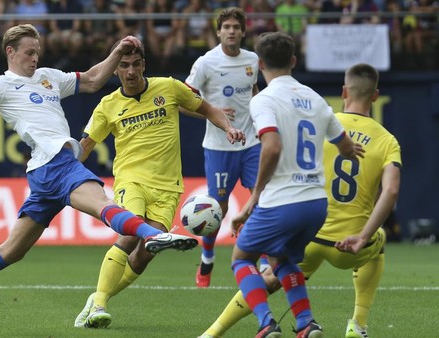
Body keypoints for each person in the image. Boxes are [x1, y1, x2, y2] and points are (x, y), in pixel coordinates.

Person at [0, 24, 200, 333]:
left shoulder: (48, 77)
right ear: (11, 52)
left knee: (11, 251)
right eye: (30, 52)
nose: (35, 58)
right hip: (55, 163)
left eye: (38, 52)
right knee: (102, 203)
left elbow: (91, 80)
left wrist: (117, 51)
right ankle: (151, 234)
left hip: (44, 171)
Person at [199, 63, 400, 338]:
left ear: (344, 91)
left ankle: (214, 331)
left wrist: (252, 204)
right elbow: (390, 192)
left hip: (311, 234)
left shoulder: (321, 123)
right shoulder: (388, 140)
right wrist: (364, 236)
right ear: (375, 95)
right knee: (379, 243)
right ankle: (357, 323)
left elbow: (281, 161)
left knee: (267, 276)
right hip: (350, 243)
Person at [73, 41, 246, 329]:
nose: (131, 71)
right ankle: (101, 305)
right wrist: (67, 173)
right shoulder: (107, 106)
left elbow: (206, 108)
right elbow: (87, 144)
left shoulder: (168, 87)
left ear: (144, 65)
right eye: (124, 66)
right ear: (116, 70)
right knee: (131, 231)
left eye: (136, 64)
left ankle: (97, 298)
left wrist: (228, 128)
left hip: (168, 187)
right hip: (132, 180)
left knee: (144, 254)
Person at [184, 7, 262, 289]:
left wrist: (259, 111)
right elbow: (184, 101)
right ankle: (207, 257)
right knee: (217, 207)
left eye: (236, 27)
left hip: (251, 142)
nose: (231, 31)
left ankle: (261, 258)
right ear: (218, 31)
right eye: (226, 26)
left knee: (259, 198)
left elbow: (252, 90)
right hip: (219, 147)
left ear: (243, 31)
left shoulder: (252, 59)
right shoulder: (206, 63)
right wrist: (211, 112)